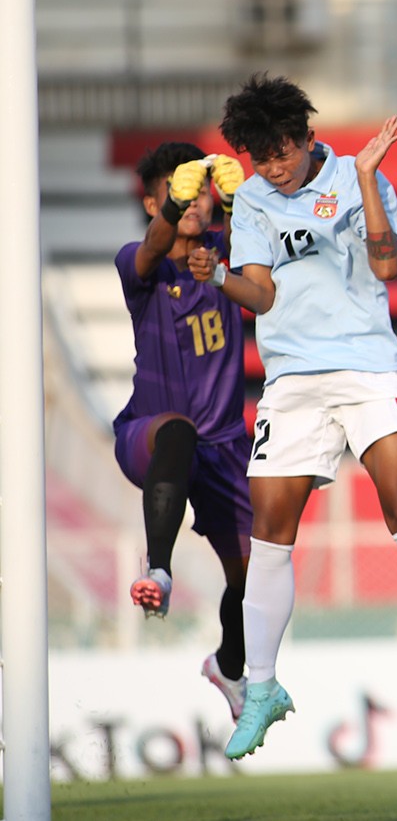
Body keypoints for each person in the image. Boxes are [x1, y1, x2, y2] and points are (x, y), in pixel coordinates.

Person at [189, 75, 397, 760]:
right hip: (292, 377)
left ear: (303, 137)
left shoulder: (357, 175)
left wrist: (373, 181)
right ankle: (260, 687)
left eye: (278, 153)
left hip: (366, 364)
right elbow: (258, 294)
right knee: (270, 529)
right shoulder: (256, 197)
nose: (271, 168)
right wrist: (215, 276)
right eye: (258, 158)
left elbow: (387, 266)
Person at [113, 142, 252, 718]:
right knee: (177, 433)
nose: (194, 200)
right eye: (177, 189)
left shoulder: (228, 252)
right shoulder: (137, 263)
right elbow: (151, 246)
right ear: (153, 201)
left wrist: (243, 198)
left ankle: (231, 666)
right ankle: (160, 570)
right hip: (151, 434)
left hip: (227, 447)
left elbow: (271, 247)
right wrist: (180, 203)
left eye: (198, 188)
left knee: (258, 577)